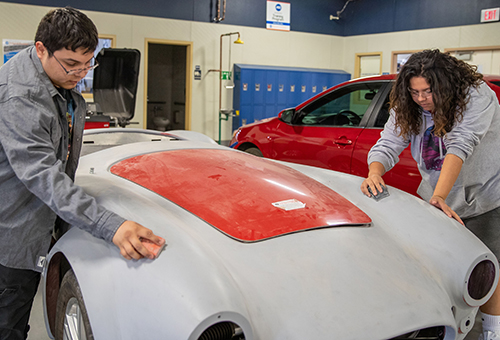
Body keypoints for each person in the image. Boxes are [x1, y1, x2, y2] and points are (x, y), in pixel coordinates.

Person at [0, 7, 165, 339]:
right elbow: (42, 174)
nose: (80, 73)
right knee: (8, 322)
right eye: (71, 64)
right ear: (40, 48)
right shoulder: (22, 97)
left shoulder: (53, 78)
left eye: (87, 63)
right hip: (11, 235)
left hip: (31, 222)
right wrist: (110, 225)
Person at [361, 49, 500, 340]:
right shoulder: (407, 105)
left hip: (487, 195)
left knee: (488, 268)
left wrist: (439, 196)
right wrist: (375, 172)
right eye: (415, 92)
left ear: (445, 85)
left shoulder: (476, 96)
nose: (422, 99)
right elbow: (388, 141)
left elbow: (460, 144)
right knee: (440, 265)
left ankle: (492, 331)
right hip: (437, 199)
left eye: (428, 91)